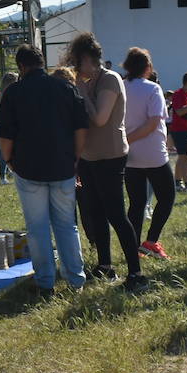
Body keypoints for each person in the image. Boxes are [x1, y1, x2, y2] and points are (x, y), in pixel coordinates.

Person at [0, 45, 89, 297]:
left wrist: (9, 161)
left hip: (28, 168)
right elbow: (81, 128)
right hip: (63, 166)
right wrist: (76, 157)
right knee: (66, 225)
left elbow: (5, 134)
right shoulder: (65, 88)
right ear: (42, 63)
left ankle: (45, 283)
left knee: (37, 228)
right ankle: (75, 280)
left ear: (21, 67)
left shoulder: (14, 92)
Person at [68, 33, 147, 292]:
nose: (76, 69)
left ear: (89, 59)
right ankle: (105, 266)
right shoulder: (91, 81)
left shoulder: (110, 80)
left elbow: (100, 119)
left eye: (77, 63)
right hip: (91, 157)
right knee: (95, 213)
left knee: (116, 214)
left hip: (111, 156)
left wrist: (80, 89)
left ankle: (135, 272)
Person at [121, 48, 175, 261]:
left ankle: (133, 248)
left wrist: (125, 141)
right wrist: (131, 138)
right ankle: (151, 241)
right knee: (167, 196)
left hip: (130, 155)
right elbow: (154, 122)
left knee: (136, 203)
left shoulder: (120, 87)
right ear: (148, 68)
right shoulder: (153, 88)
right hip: (153, 153)